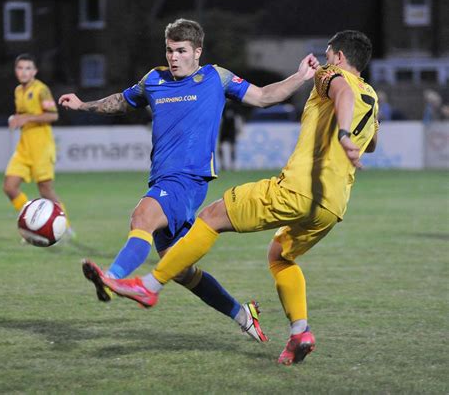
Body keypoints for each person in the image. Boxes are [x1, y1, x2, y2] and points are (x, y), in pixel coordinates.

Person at [93, 30, 379, 366]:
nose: (327, 59)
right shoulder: (371, 96)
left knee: (211, 217)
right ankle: (300, 330)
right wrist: (351, 136)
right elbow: (371, 142)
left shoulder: (332, 75)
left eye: (329, 54)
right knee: (280, 256)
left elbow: (342, 91)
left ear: (339, 56)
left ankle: (150, 285)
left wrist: (342, 132)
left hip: (298, 189)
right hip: (332, 206)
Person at [59, 18, 319, 342]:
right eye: (169, 50)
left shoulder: (215, 78)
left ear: (197, 51)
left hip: (188, 181)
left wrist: (300, 76)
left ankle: (112, 279)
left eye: (181, 50)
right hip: (163, 179)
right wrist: (83, 104)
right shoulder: (154, 80)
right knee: (180, 270)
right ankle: (243, 315)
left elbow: (264, 96)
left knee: (142, 217)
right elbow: (122, 102)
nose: (174, 57)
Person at [3, 54, 73, 235]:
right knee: (9, 187)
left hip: (42, 146)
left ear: (34, 71)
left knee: (45, 190)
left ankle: (64, 227)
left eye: (28, 68)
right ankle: (30, 223)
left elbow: (53, 115)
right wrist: (17, 120)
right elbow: (22, 116)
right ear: (16, 70)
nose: (23, 72)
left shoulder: (41, 89)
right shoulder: (18, 91)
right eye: (20, 68)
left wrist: (26, 118)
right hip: (24, 147)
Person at [218, 102, 243, 171]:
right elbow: (219, 117)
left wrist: (239, 128)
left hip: (231, 130)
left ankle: (232, 165)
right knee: (220, 147)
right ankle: (222, 165)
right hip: (224, 129)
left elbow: (238, 117)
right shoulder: (222, 104)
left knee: (232, 147)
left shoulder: (234, 105)